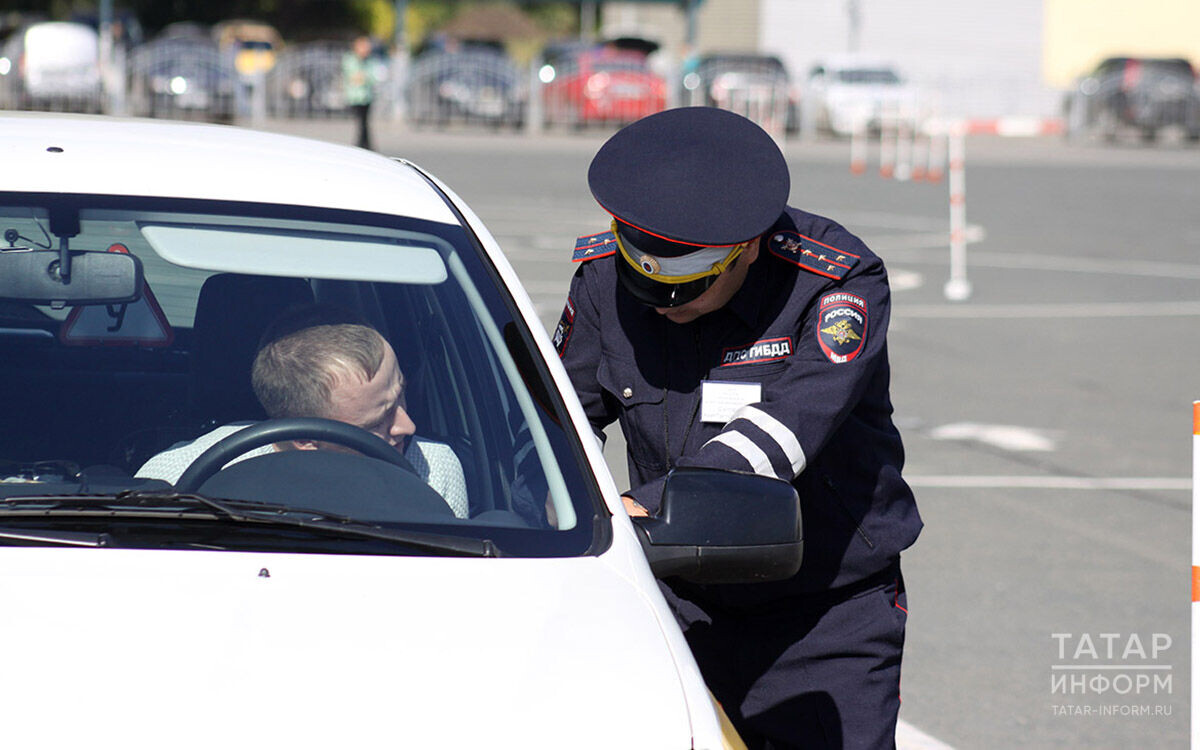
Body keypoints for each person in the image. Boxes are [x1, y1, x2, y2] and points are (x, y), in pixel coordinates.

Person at [553, 106, 922, 749]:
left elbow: (785, 430)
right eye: (643, 281)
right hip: (672, 601)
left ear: (745, 250)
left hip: (823, 618)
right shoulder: (605, 278)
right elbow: (557, 421)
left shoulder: (833, 285)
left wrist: (655, 507)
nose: (661, 307)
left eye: (687, 288)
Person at [137, 316, 468, 519]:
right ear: (307, 437)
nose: (408, 426)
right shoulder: (176, 475)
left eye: (402, 395)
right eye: (377, 423)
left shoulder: (432, 468)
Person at [343, 35, 378, 150]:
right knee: (360, 122)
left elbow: (372, 77)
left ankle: (365, 145)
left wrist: (363, 77)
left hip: (366, 96)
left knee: (365, 123)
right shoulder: (350, 59)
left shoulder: (370, 61)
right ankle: (360, 145)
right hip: (355, 96)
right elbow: (353, 76)